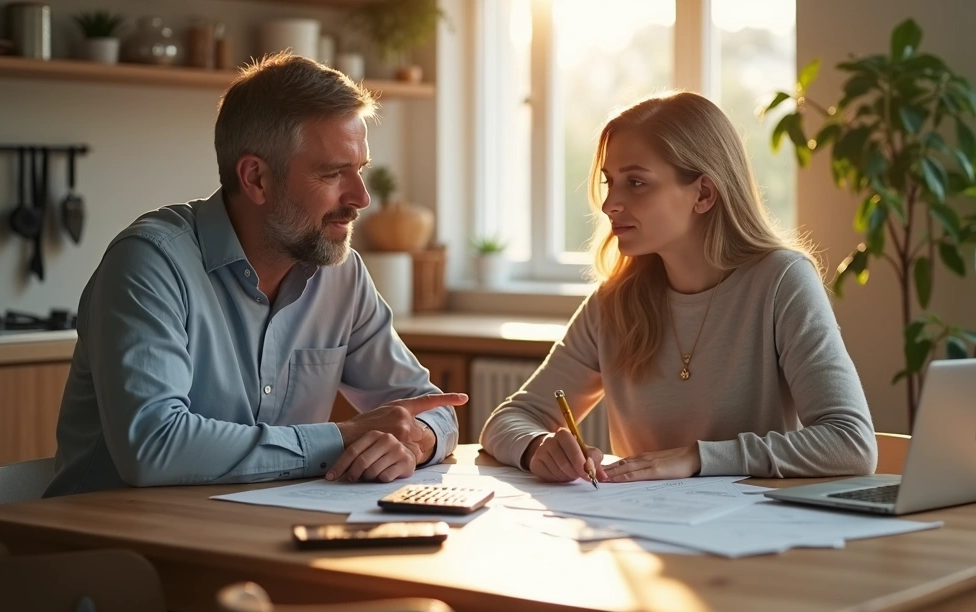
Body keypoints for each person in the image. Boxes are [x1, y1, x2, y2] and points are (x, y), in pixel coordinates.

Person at [44, 53, 466, 499]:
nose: (361, 198)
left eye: (359, 170)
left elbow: (432, 409)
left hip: (251, 533)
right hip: (106, 547)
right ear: (256, 178)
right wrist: (345, 437)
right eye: (333, 173)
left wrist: (414, 440)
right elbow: (153, 445)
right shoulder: (149, 264)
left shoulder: (341, 275)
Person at [480, 91, 876, 484]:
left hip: (754, 537)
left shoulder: (782, 281)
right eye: (610, 182)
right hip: (645, 534)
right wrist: (537, 447)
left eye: (636, 182)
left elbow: (851, 443)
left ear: (703, 194)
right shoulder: (614, 301)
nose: (609, 204)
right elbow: (508, 420)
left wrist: (697, 458)